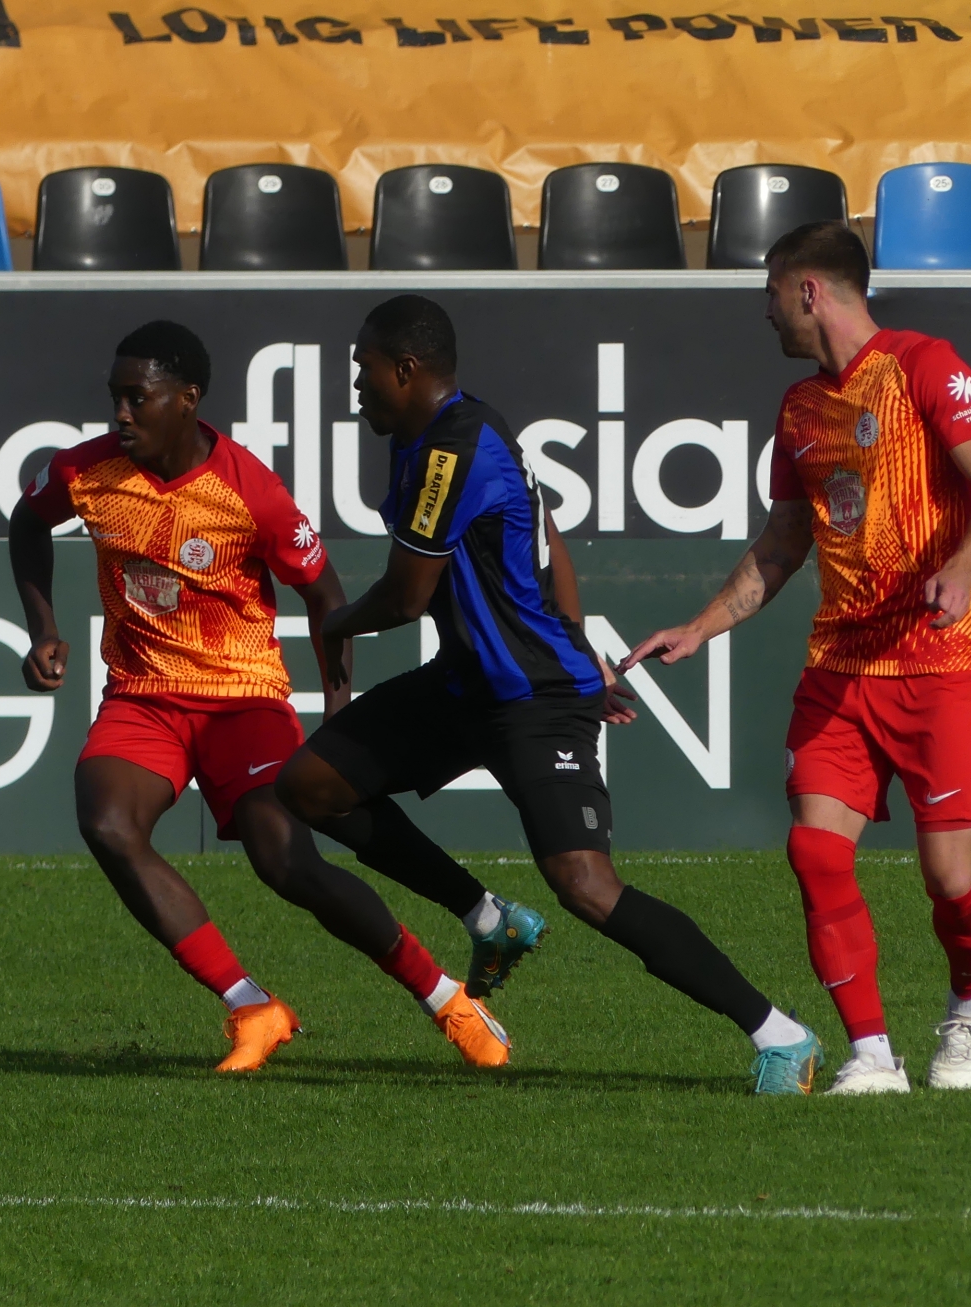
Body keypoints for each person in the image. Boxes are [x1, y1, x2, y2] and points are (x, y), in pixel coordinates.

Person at [274, 295, 824, 1095]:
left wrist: (335, 622)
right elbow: (550, 538)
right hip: (469, 684)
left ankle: (780, 1035)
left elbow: (406, 596)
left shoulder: (451, 451)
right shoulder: (449, 433)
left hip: (534, 696)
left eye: (365, 371)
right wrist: (578, 640)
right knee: (311, 786)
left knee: (585, 885)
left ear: (406, 370)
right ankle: (487, 918)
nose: (356, 387)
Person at [9, 319, 527, 1073]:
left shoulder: (250, 491)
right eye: (114, 396)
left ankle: (448, 999)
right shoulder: (83, 471)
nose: (120, 413)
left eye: (136, 397)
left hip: (242, 699)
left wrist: (338, 720)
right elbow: (27, 523)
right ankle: (252, 1006)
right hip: (143, 694)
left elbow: (326, 599)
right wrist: (44, 629)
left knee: (287, 864)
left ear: (188, 399)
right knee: (109, 824)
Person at [622, 222, 971, 1095]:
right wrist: (701, 626)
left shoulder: (923, 365)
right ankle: (871, 1054)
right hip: (840, 671)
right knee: (814, 852)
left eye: (770, 292)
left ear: (808, 291)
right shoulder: (800, 410)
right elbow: (782, 544)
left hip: (938, 662)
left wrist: (961, 570)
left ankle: (969, 1000)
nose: (765, 312)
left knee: (952, 883)